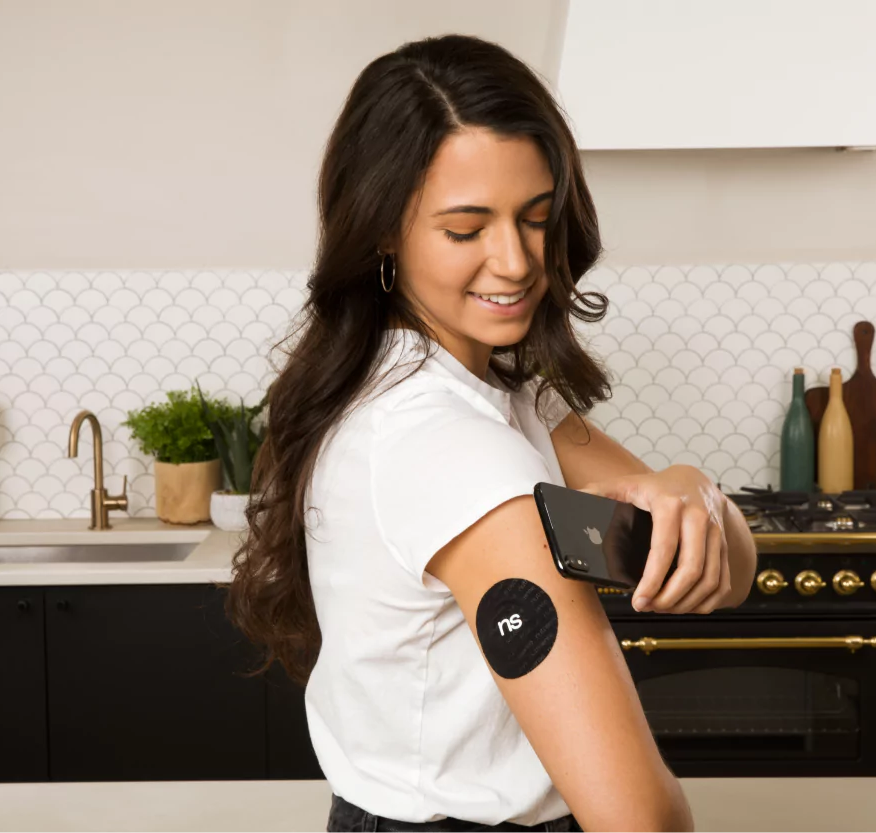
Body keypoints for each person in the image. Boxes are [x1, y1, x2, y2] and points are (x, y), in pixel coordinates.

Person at [228, 33, 758, 833]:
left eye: (536, 218)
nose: (515, 262)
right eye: (466, 229)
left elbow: (724, 567)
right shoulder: (445, 444)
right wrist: (686, 512)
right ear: (382, 230)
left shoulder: (506, 394)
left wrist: (688, 487)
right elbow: (639, 817)